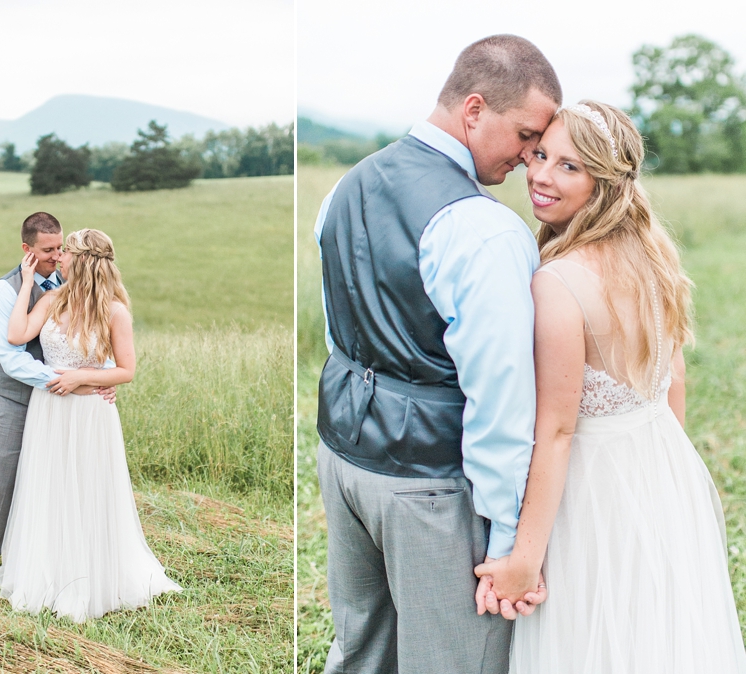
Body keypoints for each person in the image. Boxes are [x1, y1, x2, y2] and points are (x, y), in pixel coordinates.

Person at [314, 35, 558, 673]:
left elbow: (344, 325)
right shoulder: (484, 228)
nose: (531, 157)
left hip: (342, 459)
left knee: (362, 652)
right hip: (426, 484)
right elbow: (502, 398)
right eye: (527, 135)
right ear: (474, 111)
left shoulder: (346, 184)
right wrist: (507, 541)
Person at [474, 101, 746, 672]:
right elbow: (673, 381)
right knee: (652, 632)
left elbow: (556, 430)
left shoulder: (558, 282)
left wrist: (524, 559)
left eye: (570, 166)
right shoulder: (654, 259)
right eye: (540, 155)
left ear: (604, 183)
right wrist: (669, 485)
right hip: (659, 467)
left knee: (591, 637)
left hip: (591, 491)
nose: (542, 175)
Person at [0, 228, 180, 622]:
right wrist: (26, 284)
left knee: (89, 489)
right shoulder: (51, 299)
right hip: (50, 412)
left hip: (91, 415)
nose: (58, 257)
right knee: (52, 487)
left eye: (66, 253)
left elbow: (127, 371)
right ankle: (50, 574)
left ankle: (91, 578)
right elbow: (16, 334)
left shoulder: (114, 310)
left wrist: (83, 378)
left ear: (82, 261)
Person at [0, 212, 114, 598]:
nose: (57, 256)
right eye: (48, 250)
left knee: (54, 490)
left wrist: (99, 377)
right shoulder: (3, 292)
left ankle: (51, 571)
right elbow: (12, 357)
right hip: (14, 403)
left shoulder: (73, 285)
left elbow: (95, 336)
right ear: (27, 250)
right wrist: (67, 384)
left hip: (60, 411)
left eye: (61, 248)